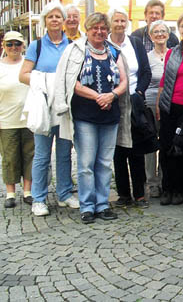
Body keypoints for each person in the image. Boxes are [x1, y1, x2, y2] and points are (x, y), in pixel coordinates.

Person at [54, 12, 129, 224]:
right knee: (86, 163)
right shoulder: (76, 51)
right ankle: (87, 206)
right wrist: (97, 96)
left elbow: (123, 81)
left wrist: (112, 95)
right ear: (87, 29)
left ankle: (103, 204)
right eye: (95, 28)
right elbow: (72, 83)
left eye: (103, 28)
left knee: (105, 163)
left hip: (110, 117)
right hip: (85, 116)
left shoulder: (114, 52)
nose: (99, 31)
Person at [19, 1, 78, 217]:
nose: (54, 20)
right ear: (45, 21)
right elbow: (23, 74)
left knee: (64, 153)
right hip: (43, 107)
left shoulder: (71, 45)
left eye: (58, 16)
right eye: (50, 16)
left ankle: (63, 193)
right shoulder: (37, 46)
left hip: (64, 108)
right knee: (42, 155)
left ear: (63, 21)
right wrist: (45, 80)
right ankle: (39, 198)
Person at [108, 8, 152, 209]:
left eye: (123, 20)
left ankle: (140, 194)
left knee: (136, 150)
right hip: (112, 103)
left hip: (133, 102)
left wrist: (140, 93)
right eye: (116, 20)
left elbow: (145, 72)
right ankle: (124, 194)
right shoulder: (104, 44)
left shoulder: (134, 43)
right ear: (110, 23)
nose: (119, 24)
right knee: (118, 151)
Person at [0, 31, 34, 208]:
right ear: (3, 46)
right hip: (6, 121)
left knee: (30, 155)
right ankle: (10, 193)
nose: (14, 47)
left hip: (29, 120)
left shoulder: (29, 64)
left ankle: (28, 191)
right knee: (10, 157)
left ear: (23, 46)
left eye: (17, 44)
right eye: (10, 44)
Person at [156, 13, 183, 205]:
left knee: (181, 149)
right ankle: (167, 188)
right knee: (166, 148)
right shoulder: (171, 53)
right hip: (169, 105)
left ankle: (179, 189)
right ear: (179, 30)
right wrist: (159, 103)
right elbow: (164, 79)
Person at [145, 20, 170, 199]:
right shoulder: (147, 57)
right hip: (150, 101)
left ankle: (164, 180)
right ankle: (152, 182)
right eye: (156, 32)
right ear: (151, 36)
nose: (160, 34)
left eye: (163, 31)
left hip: (168, 101)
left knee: (165, 142)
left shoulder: (174, 54)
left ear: (168, 35)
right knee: (150, 142)